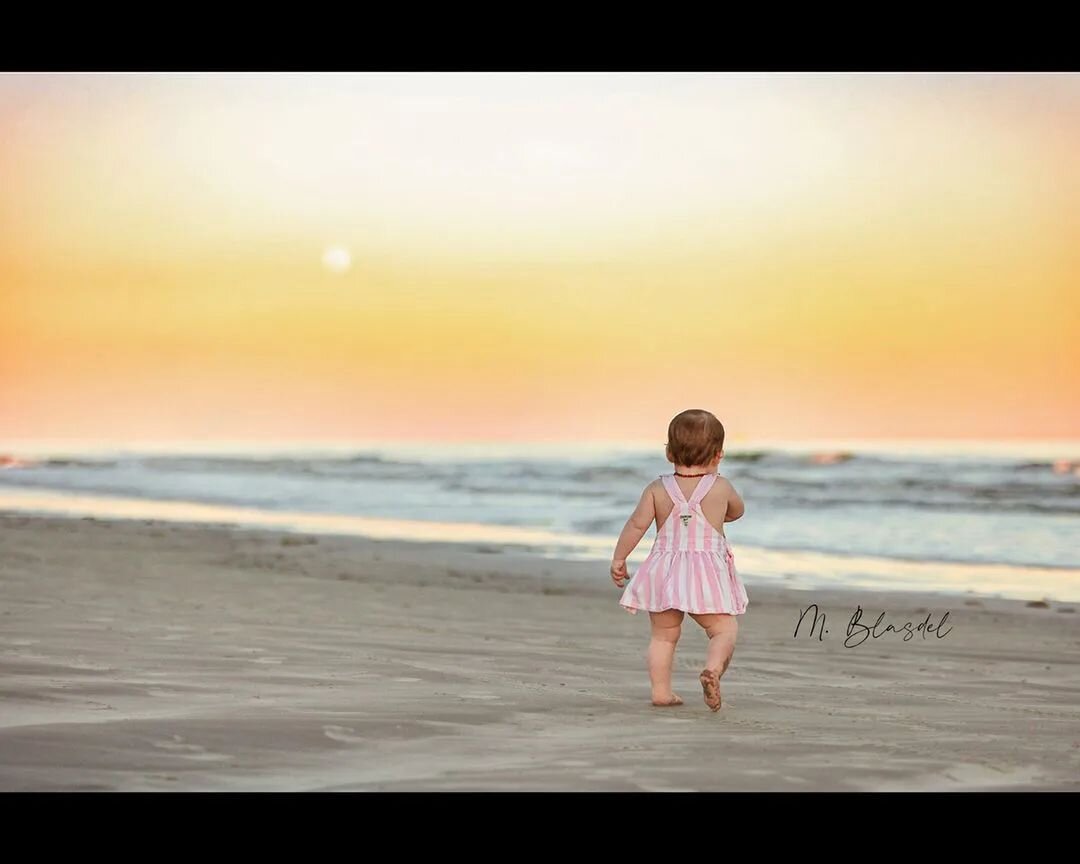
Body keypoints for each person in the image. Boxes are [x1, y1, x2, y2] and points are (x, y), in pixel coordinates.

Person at [611, 409, 748, 711]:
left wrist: (620, 558)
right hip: (705, 575)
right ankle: (712, 669)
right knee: (723, 630)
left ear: (669, 452)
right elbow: (737, 511)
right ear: (719, 454)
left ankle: (661, 692)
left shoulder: (657, 489)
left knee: (663, 637)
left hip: (663, 571)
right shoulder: (721, 486)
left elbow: (636, 525)